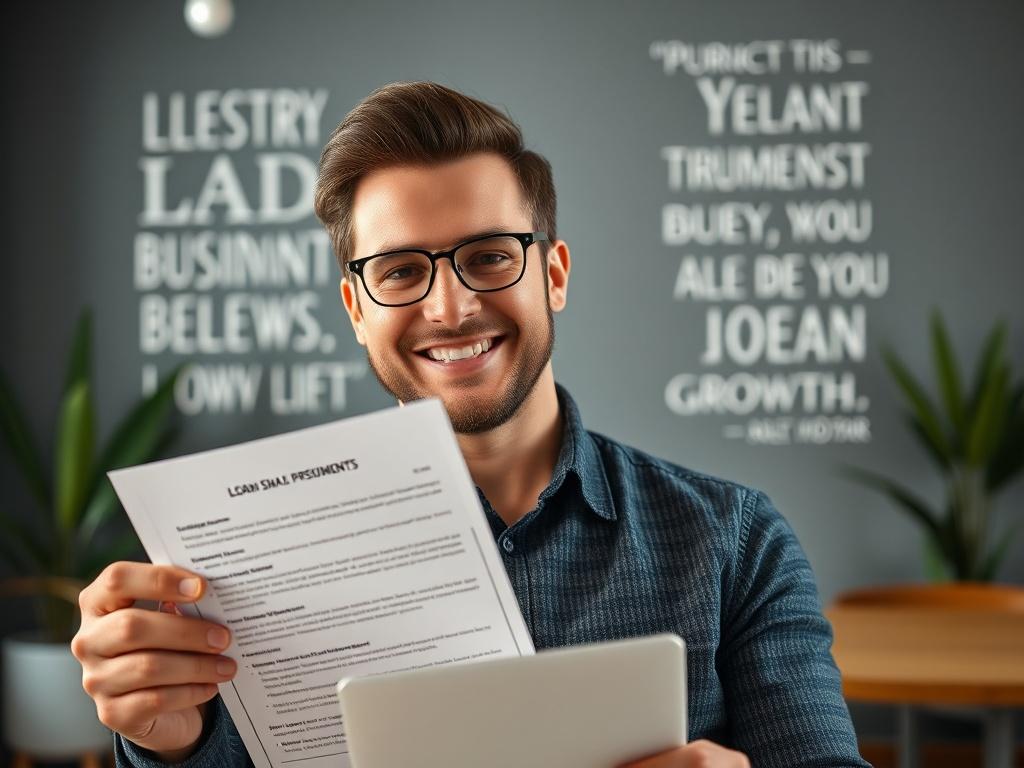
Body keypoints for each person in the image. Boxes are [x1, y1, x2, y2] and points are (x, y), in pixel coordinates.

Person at [72, 82, 869, 768]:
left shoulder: (734, 540)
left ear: (552, 274)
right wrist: (170, 744)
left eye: (490, 256)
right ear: (356, 308)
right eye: (401, 271)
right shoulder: (240, 566)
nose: (449, 308)